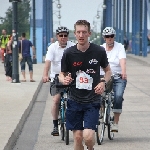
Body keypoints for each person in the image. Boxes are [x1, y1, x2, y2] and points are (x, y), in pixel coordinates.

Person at [58, 20, 111, 150]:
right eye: (78, 32)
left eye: (84, 32)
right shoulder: (69, 53)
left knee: (88, 137)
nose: (81, 35)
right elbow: (62, 73)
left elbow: (108, 71)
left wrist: (103, 82)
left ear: (89, 33)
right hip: (74, 99)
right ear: (74, 34)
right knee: (77, 138)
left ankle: (90, 148)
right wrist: (63, 80)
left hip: (92, 100)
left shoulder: (98, 51)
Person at [42, 26, 75, 136]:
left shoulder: (72, 46)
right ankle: (55, 125)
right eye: (61, 35)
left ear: (68, 36)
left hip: (69, 76)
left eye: (65, 35)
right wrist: (45, 75)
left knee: (74, 100)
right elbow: (48, 62)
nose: (63, 37)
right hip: (56, 77)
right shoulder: (52, 47)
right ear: (57, 37)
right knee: (56, 100)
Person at [101, 27, 127, 132]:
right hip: (104, 76)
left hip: (117, 76)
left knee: (118, 96)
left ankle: (115, 123)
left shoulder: (119, 47)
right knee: (98, 95)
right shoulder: (101, 48)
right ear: (104, 38)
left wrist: (123, 72)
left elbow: (122, 60)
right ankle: (101, 113)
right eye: (107, 36)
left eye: (111, 36)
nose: (109, 38)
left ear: (114, 37)